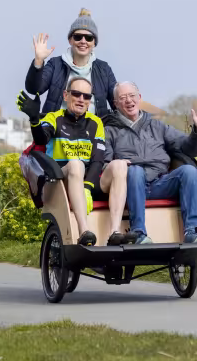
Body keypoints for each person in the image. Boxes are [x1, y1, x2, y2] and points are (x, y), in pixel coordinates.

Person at [17, 77, 130, 246]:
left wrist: (87, 188)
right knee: (76, 164)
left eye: (86, 96)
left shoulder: (96, 122)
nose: (81, 99)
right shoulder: (54, 118)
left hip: (87, 180)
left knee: (120, 165)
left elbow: (98, 160)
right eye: (76, 94)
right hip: (61, 179)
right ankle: (84, 231)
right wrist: (35, 120)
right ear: (65, 95)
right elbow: (41, 139)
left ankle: (114, 232)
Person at [103, 81, 197, 244]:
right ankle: (138, 233)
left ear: (139, 97)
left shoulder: (157, 126)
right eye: (123, 97)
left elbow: (189, 149)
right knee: (135, 171)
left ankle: (193, 230)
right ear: (116, 103)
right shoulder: (109, 131)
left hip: (159, 183)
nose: (129, 100)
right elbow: (106, 165)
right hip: (128, 187)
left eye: (132, 95)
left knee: (189, 171)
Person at [25, 8, 117, 118]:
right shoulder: (56, 65)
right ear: (70, 40)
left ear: (94, 43)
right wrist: (39, 60)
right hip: (56, 131)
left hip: (93, 132)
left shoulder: (104, 69)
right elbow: (34, 89)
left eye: (88, 38)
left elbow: (117, 103)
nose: (83, 41)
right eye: (78, 37)